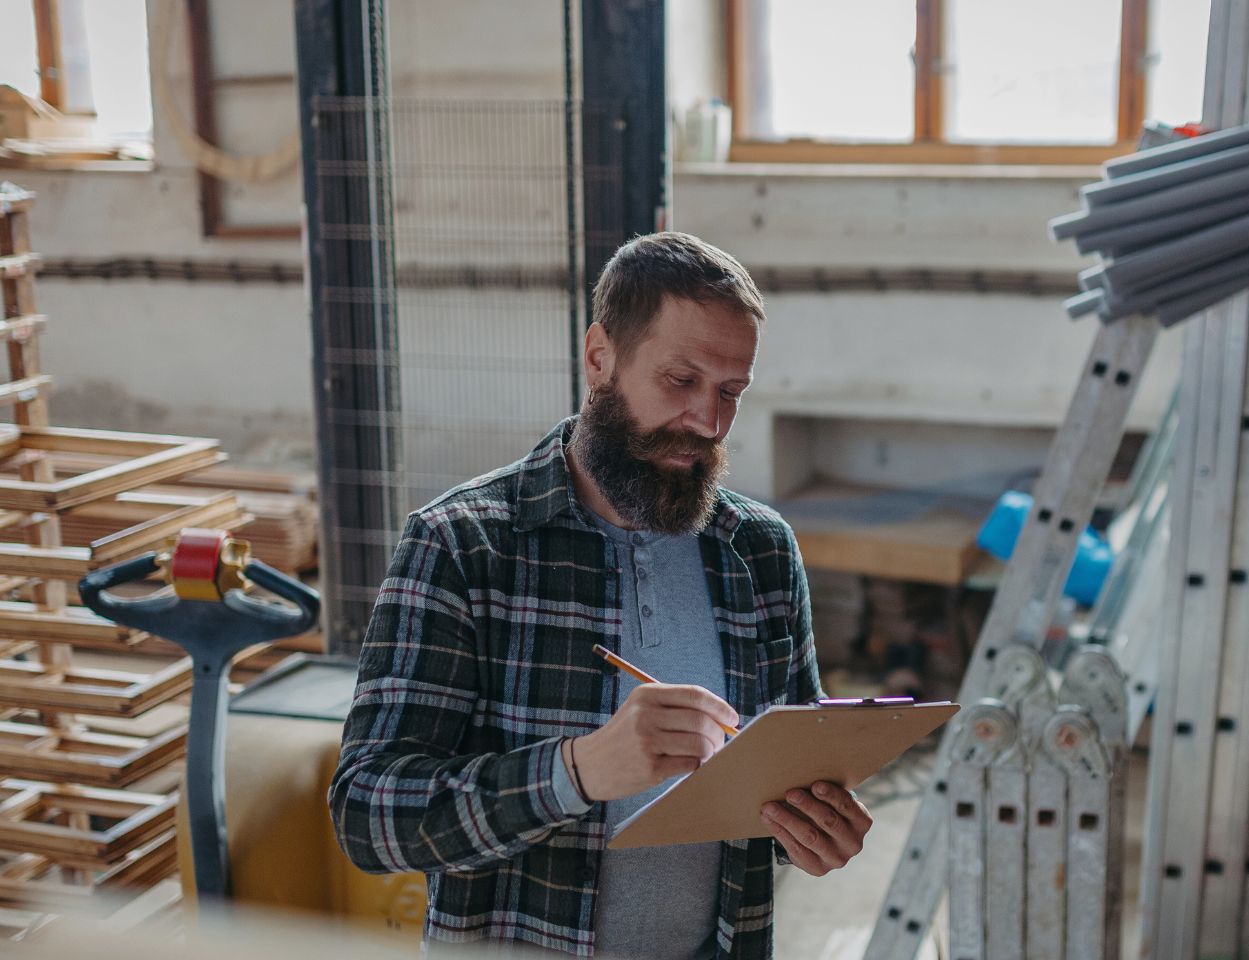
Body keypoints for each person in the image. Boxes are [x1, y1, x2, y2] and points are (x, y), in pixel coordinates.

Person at [329, 232, 872, 958]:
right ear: (599, 358)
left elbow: (780, 788)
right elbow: (368, 817)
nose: (709, 422)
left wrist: (812, 829)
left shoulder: (760, 552)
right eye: (681, 381)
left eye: (731, 392)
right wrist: (577, 772)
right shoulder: (463, 545)